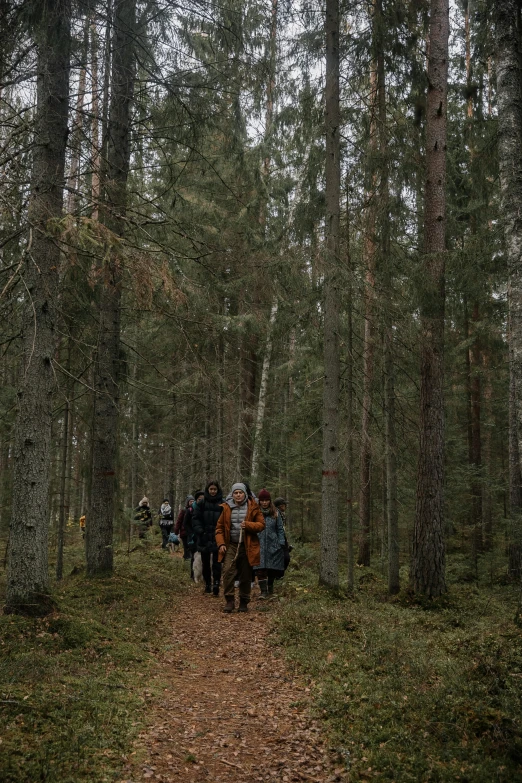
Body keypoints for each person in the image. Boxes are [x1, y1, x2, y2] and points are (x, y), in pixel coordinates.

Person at [215, 482, 265, 613]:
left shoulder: (253, 506)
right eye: (235, 493)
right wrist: (221, 544)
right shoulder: (226, 508)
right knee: (227, 572)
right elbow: (219, 528)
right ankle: (230, 600)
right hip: (230, 545)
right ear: (232, 494)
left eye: (240, 492)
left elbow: (261, 525)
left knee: (245, 575)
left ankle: (244, 600)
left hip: (247, 545)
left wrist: (248, 525)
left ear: (244, 494)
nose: (238, 495)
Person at [192, 480, 224, 596]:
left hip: (217, 537)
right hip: (204, 537)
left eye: (215, 489)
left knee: (217, 562)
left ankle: (216, 583)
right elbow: (195, 519)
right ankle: (207, 584)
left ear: (218, 490)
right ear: (207, 490)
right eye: (211, 489)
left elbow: (225, 520)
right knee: (205, 563)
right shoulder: (202, 503)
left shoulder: (222, 503)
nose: (213, 491)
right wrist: (201, 531)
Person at [255, 489, 286, 598]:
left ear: (270, 501)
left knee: (272, 567)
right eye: (262, 500)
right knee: (260, 567)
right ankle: (263, 591)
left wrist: (281, 542)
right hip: (259, 543)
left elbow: (280, 529)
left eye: (266, 500)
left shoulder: (275, 512)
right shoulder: (255, 512)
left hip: (274, 543)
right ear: (259, 501)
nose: (264, 502)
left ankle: (270, 587)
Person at [274, 496, 292, 572]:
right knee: (285, 557)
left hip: (282, 537)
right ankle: (279, 574)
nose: (285, 506)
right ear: (280, 506)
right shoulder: (276, 514)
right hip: (278, 538)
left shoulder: (281, 514)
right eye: (284, 505)